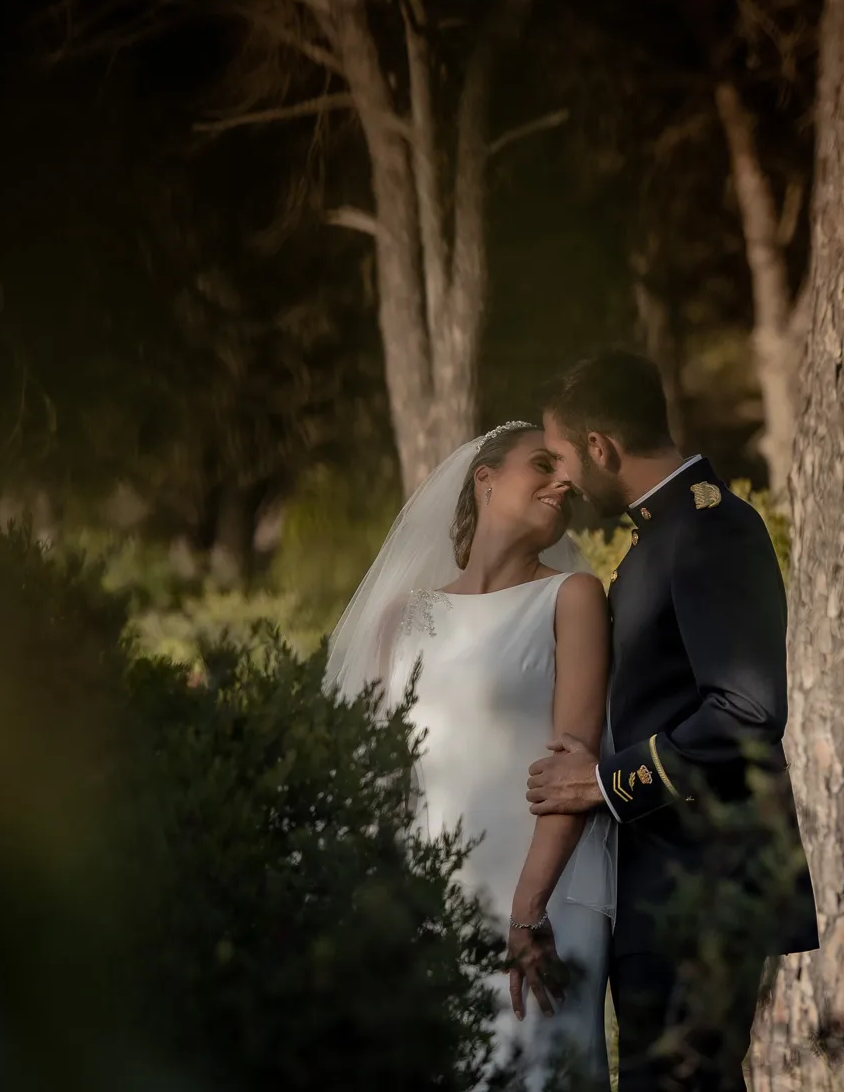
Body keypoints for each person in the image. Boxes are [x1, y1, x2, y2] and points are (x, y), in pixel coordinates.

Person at [524, 351, 818, 1092]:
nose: (559, 478)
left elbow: (748, 710)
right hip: (665, 883)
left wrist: (603, 783)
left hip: (706, 889)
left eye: (560, 454)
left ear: (600, 447)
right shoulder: (662, 532)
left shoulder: (712, 529)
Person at [326, 422, 616, 1090]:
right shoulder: (401, 617)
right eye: (541, 464)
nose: (564, 481)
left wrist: (527, 908)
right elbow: (379, 778)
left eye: (568, 476)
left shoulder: (571, 598)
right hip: (435, 895)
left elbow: (573, 765)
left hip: (544, 895)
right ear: (484, 480)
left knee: (540, 1070)